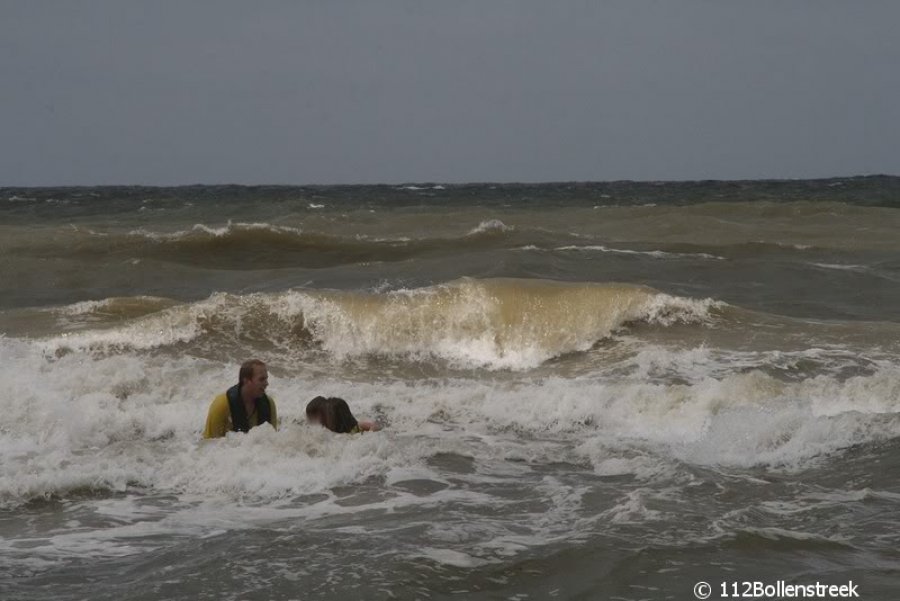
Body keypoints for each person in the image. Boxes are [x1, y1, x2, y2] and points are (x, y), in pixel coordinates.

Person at [203, 359, 278, 438]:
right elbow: (209, 445)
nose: (266, 383)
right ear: (246, 381)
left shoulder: (269, 404)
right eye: (261, 379)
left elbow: (272, 442)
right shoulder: (221, 404)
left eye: (266, 379)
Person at [306, 396, 379, 434]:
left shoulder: (354, 429)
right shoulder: (328, 430)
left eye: (323, 417)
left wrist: (367, 438)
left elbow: (373, 425)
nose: (320, 422)